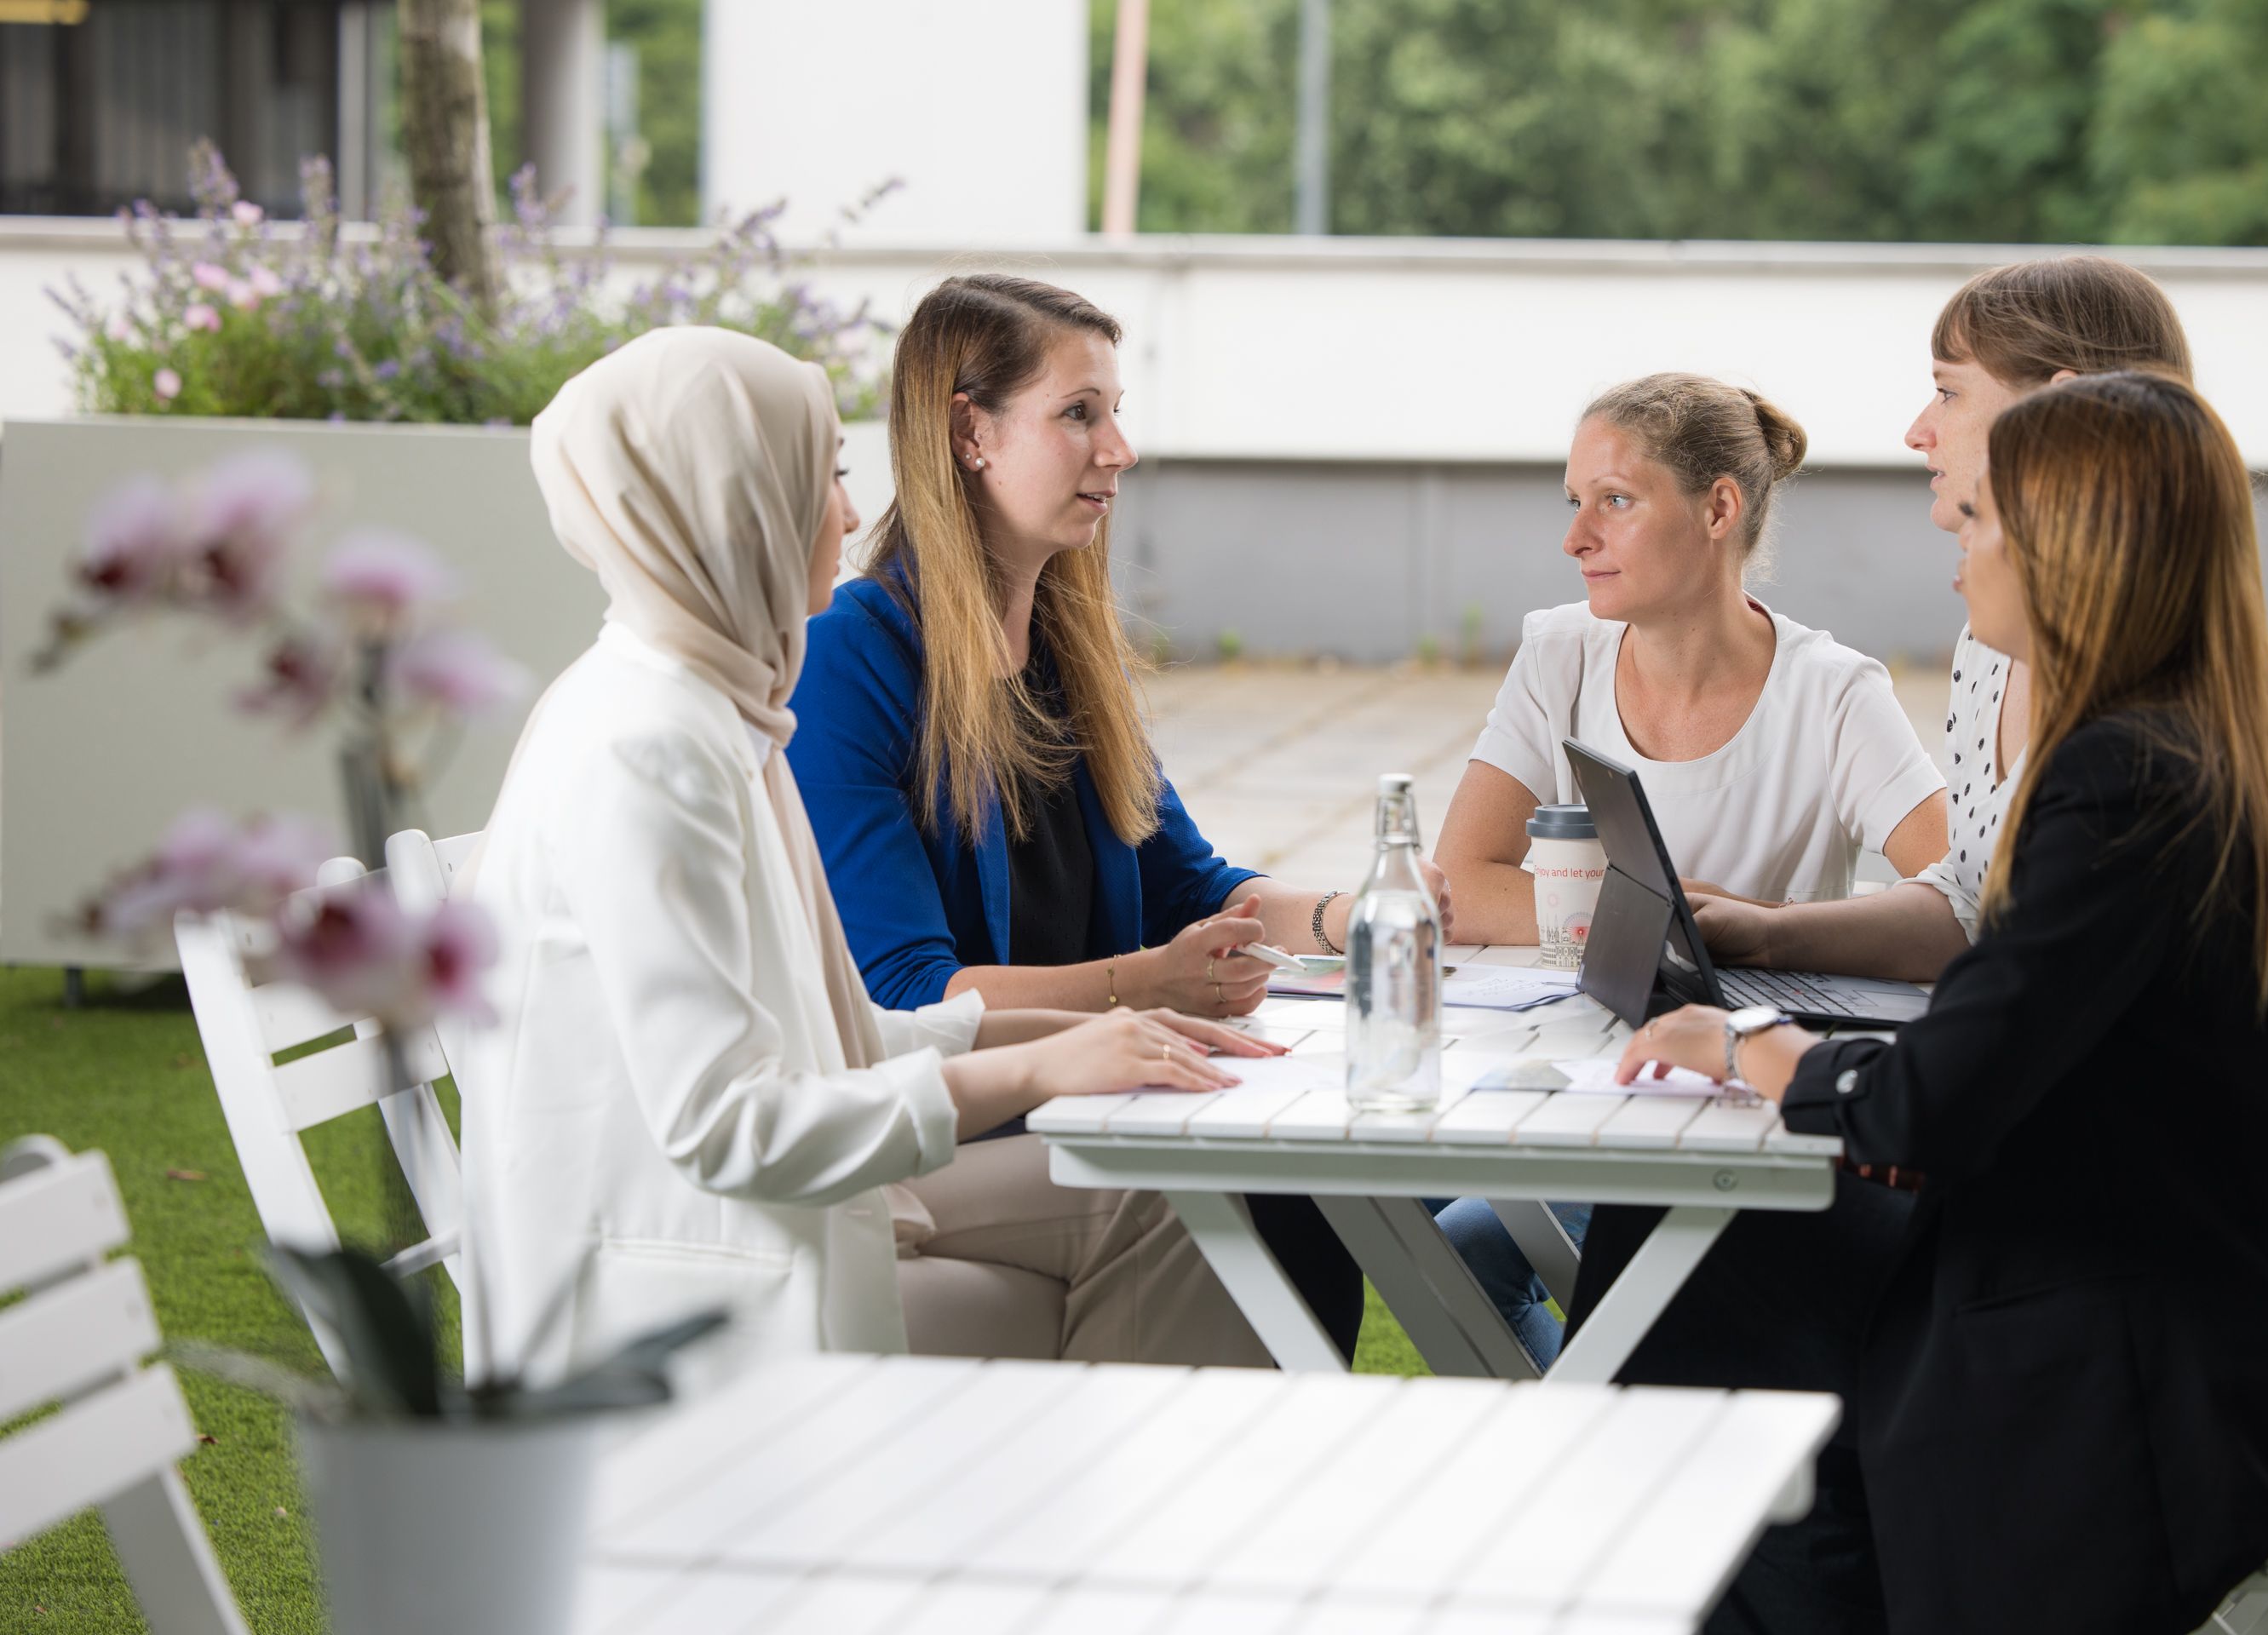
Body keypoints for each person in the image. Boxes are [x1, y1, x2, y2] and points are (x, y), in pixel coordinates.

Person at [1618, 370, 2268, 1635]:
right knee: (1742, 1275)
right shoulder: (2211, 749)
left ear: (2074, 553)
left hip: (2204, 1384)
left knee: (1715, 1283)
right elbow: (2015, 1045)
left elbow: (1935, 1106)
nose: (1955, 541)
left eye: (1983, 520)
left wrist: (1748, 1043)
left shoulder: (2127, 779)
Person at [454, 327, 1279, 1388]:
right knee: (1176, 1204)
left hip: (729, 1225)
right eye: (826, 478)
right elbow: (724, 1124)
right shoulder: (648, 749)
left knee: (1171, 1184)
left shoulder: (701, 707)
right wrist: (1039, 1067)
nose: (849, 515)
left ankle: (1084, 1487)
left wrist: (1079, 1032)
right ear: (737, 504)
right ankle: (1086, 1489)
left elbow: (822, 1031)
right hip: (670, 1288)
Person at [786, 274, 1442, 1359]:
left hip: (1088, 1103)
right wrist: (1147, 985)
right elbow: (907, 992)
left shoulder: (1064, 651)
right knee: (1251, 1198)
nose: (1119, 450)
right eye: (1079, 414)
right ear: (970, 434)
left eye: (1116, 412)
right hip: (943, 1122)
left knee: (1301, 1195)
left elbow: (1192, 885)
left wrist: (1369, 915)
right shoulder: (850, 662)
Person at [1425, 372, 1948, 1370]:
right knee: (1455, 1245)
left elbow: (1962, 899)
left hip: (1740, 1101)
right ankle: (1593, 1439)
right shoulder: (1562, 653)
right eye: (1574, 501)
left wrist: (1744, 921)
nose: (1576, 537)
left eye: (1615, 501)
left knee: (1471, 1245)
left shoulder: (1833, 694)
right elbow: (1462, 881)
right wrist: (1652, 916)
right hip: (1588, 1067)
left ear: (1718, 510)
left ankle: (1607, 1436)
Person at [1690, 255, 2195, 981]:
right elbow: (1972, 909)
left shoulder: (2143, 726)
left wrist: (1764, 1037)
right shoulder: (1991, 648)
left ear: (2066, 410)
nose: (1917, 431)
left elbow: (2031, 993)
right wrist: (1765, 932)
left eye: (1948, 392)